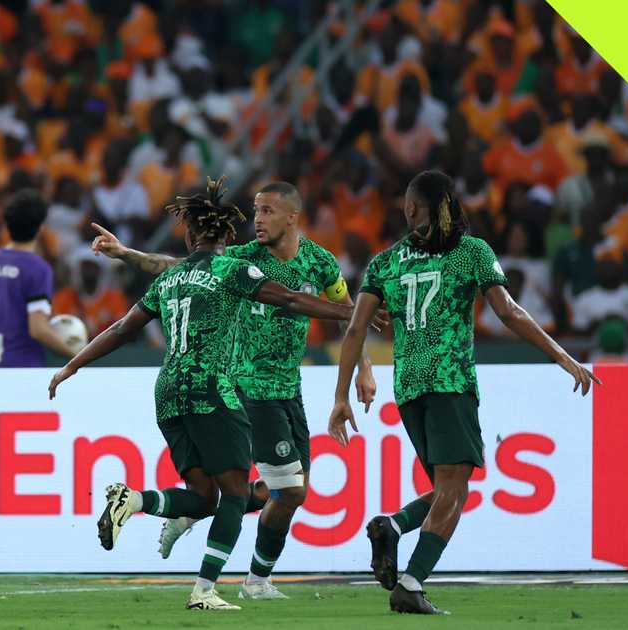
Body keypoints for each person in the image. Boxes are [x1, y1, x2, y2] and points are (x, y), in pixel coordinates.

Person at [48, 177, 380, 610]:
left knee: (236, 494)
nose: (257, 220)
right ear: (228, 235)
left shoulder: (307, 262)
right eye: (253, 212)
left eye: (266, 211)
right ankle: (209, 588)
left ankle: (141, 503)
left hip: (186, 389)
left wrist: (73, 364)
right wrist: (357, 310)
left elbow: (127, 324)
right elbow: (293, 302)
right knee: (244, 492)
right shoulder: (237, 265)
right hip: (228, 387)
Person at [328, 170, 598, 615]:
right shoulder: (471, 252)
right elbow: (507, 312)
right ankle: (411, 584)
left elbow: (356, 327)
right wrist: (562, 356)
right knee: (454, 491)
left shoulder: (385, 262)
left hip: (409, 387)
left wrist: (341, 396)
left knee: (448, 487)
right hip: (451, 382)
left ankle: (393, 526)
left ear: (411, 208)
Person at [0, 190, 75, 367]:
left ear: (7, 225)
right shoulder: (38, 269)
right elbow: (38, 330)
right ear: (40, 228)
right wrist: (77, 355)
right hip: (24, 369)